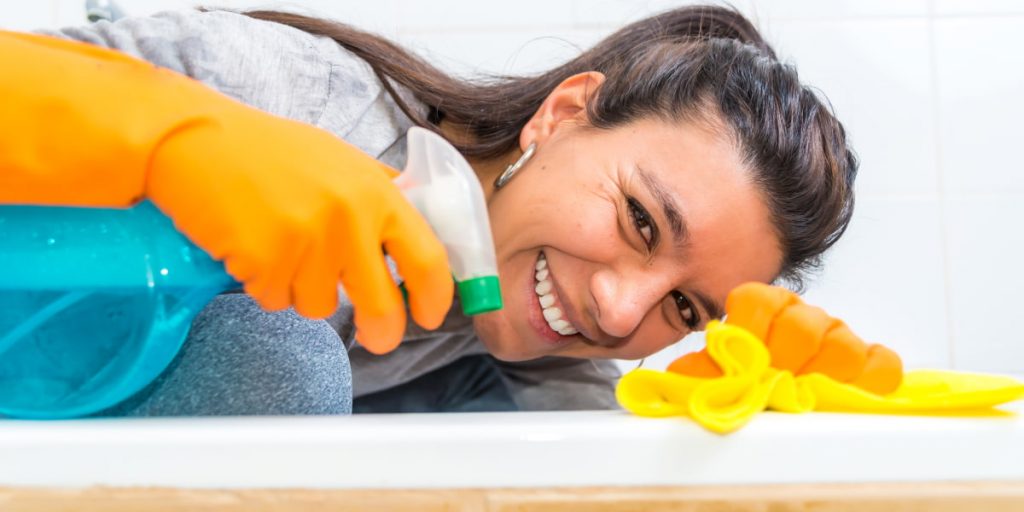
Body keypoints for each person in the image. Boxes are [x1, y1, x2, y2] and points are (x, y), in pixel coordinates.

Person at [0, 4, 856, 416]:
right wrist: (167, 140)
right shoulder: (279, 92)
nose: (619, 311)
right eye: (639, 220)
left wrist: (726, 435)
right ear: (560, 115)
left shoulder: (527, 349)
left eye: (684, 307)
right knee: (285, 366)